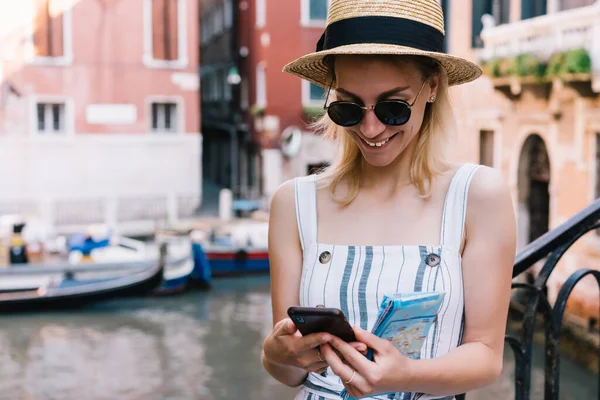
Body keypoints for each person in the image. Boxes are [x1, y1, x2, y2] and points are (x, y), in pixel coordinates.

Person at [261, 1, 517, 399]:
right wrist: (276, 353)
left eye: (393, 108)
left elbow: (486, 356)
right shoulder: (293, 202)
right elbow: (291, 373)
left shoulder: (478, 196)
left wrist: (406, 375)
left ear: (432, 86)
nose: (370, 127)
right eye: (347, 106)